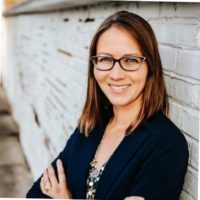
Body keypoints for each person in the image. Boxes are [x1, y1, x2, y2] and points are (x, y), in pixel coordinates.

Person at [26, 10, 189, 200]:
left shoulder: (166, 145)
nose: (116, 74)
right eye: (105, 59)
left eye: (130, 60)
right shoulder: (90, 126)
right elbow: (36, 194)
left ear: (150, 67)